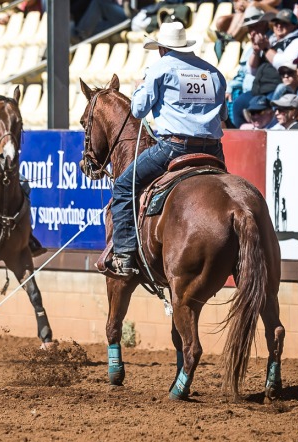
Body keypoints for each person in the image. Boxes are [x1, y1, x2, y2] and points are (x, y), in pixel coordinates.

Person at [108, 22, 227, 277]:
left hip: (174, 148)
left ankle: (124, 255)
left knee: (123, 187)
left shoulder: (160, 69)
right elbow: (223, 115)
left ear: (162, 48)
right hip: (213, 152)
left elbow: (138, 110)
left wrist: (142, 86)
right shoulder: (213, 72)